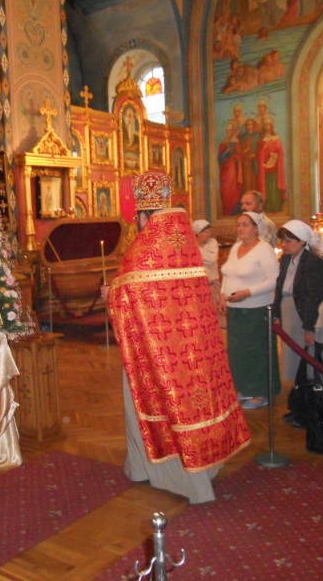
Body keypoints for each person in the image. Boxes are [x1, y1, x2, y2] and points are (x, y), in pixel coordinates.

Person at [106, 172, 250, 504]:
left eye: (139, 217)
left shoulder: (145, 251)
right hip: (193, 352)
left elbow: (126, 295)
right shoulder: (184, 245)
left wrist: (111, 292)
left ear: (145, 217)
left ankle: (169, 475)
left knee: (156, 406)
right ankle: (202, 467)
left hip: (156, 355)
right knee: (192, 408)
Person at [272, 220, 323, 426]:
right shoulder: (286, 259)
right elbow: (280, 287)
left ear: (302, 241)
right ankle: (298, 408)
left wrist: (310, 328)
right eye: (283, 241)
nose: (284, 245)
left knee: (307, 364)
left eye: (288, 241)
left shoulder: (314, 262)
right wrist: (277, 314)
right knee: (294, 364)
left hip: (304, 315)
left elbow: (316, 298)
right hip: (289, 314)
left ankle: (310, 412)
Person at [220, 210, 280, 408]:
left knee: (256, 352)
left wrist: (247, 292)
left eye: (245, 225)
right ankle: (243, 387)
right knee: (238, 351)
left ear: (256, 228)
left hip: (256, 309)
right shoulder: (235, 247)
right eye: (238, 225)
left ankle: (261, 392)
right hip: (235, 309)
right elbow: (227, 274)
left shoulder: (264, 249)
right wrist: (222, 295)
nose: (240, 228)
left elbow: (273, 280)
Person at [193, 219, 224, 328]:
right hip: (197, 281)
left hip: (212, 280)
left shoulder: (212, 242)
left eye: (209, 231)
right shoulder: (191, 244)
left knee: (214, 307)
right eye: (205, 232)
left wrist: (197, 249)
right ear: (197, 233)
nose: (208, 234)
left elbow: (211, 259)